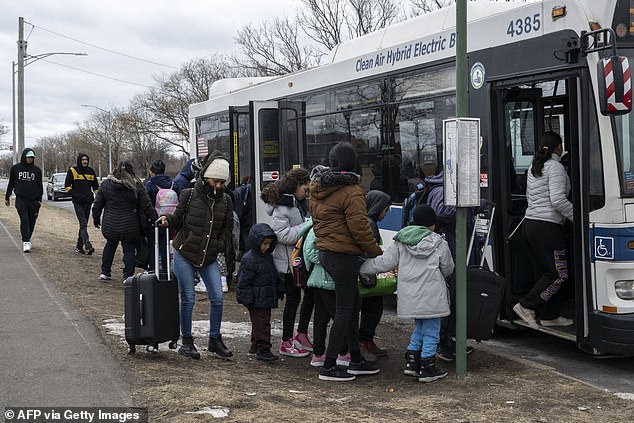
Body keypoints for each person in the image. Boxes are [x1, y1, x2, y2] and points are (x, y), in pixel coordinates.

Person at [310, 141, 382, 381]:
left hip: (327, 253)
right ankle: (329, 365)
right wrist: (376, 253)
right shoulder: (352, 191)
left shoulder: (318, 188)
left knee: (353, 304)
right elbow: (360, 228)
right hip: (343, 256)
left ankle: (355, 359)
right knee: (344, 310)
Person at [360, 204, 454, 383]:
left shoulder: (400, 241)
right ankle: (427, 366)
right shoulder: (440, 243)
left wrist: (361, 268)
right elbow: (448, 268)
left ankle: (412, 363)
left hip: (410, 296)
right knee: (432, 331)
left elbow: (384, 263)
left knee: (419, 328)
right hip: (432, 296)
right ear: (432, 224)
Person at [156, 151, 234, 360]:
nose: (218, 186)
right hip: (184, 252)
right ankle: (187, 341)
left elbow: (227, 231)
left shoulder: (226, 201)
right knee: (188, 298)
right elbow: (178, 218)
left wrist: (218, 245)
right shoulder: (189, 194)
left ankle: (214, 339)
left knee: (217, 298)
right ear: (206, 176)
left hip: (208, 255)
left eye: (221, 182)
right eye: (215, 181)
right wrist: (166, 219)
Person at [513, 132, 574, 328]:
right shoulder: (555, 167)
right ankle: (526, 306)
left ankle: (549, 315)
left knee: (545, 273)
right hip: (547, 227)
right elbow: (557, 200)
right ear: (558, 147)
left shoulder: (534, 166)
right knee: (559, 274)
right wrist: (579, 217)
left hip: (531, 225)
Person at [260, 167, 314, 357]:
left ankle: (299, 335)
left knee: (305, 296)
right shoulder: (283, 207)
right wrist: (307, 225)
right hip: (288, 263)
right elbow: (282, 235)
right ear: (296, 186)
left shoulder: (294, 203)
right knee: (293, 300)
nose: (306, 194)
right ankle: (286, 341)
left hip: (296, 260)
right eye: (305, 190)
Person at [425, 170, 478, 361]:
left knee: (456, 298)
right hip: (452, 248)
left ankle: (449, 339)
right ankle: (441, 342)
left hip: (458, 246)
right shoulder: (441, 190)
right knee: (448, 297)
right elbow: (440, 213)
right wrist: (466, 205)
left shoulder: (449, 189)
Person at [92, 161, 157, 282]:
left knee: (110, 245)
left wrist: (96, 218)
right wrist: (155, 219)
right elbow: (146, 205)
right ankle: (128, 276)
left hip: (110, 224)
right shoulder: (136, 185)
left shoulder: (106, 184)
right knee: (129, 249)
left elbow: (97, 204)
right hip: (130, 225)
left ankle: (105, 272)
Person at [302, 219, 351, 370]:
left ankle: (319, 353)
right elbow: (310, 252)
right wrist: (330, 262)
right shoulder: (318, 227)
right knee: (337, 316)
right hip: (326, 279)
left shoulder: (317, 225)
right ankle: (341, 351)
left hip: (320, 279)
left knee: (321, 318)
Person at [235, 223, 284, 362]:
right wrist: (247, 298)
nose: (267, 247)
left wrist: (278, 289)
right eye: (264, 243)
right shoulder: (250, 259)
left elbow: (272, 277)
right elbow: (244, 282)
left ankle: (256, 344)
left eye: (269, 244)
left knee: (259, 323)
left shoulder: (266, 257)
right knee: (262, 323)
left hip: (262, 297)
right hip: (257, 299)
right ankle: (263, 348)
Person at [359, 190, 392, 362]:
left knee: (371, 309)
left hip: (366, 273)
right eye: (386, 209)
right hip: (368, 275)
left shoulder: (367, 221)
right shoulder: (370, 224)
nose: (386, 214)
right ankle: (365, 341)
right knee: (373, 310)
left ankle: (366, 340)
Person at [4, 148, 43, 253]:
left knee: (31, 221)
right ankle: (25, 241)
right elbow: (11, 183)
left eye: (32, 158)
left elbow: (40, 186)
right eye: (28, 157)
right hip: (21, 199)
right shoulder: (16, 168)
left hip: (34, 200)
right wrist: (7, 197)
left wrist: (39, 200)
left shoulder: (37, 170)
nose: (30, 159)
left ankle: (28, 237)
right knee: (24, 219)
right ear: (24, 157)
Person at [65, 153, 99, 255]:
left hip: (88, 202)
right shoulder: (72, 171)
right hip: (77, 202)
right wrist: (75, 195)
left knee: (83, 224)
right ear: (79, 160)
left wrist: (98, 197)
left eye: (86, 160)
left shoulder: (91, 171)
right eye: (83, 159)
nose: (85, 161)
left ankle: (79, 246)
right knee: (83, 223)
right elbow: (67, 186)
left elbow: (96, 187)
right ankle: (87, 244)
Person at [143, 159, 174, 272]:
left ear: (152, 171)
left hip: (154, 222)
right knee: (166, 247)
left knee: (153, 248)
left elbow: (146, 204)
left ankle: (153, 271)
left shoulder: (150, 184)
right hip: (169, 221)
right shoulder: (173, 183)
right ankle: (167, 271)